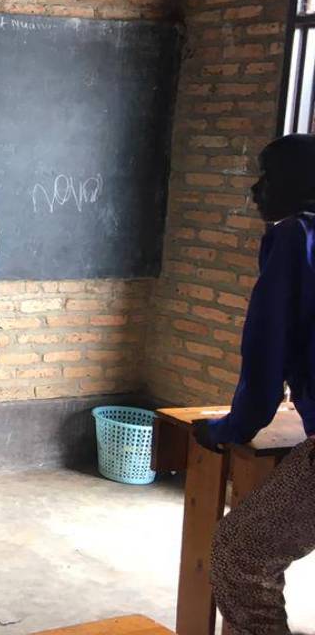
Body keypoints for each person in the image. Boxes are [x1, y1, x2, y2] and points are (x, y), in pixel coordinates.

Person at [194, 134, 315, 634]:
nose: (256, 189)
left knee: (240, 553)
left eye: (268, 175)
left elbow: (264, 359)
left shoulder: (294, 238)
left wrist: (228, 428)